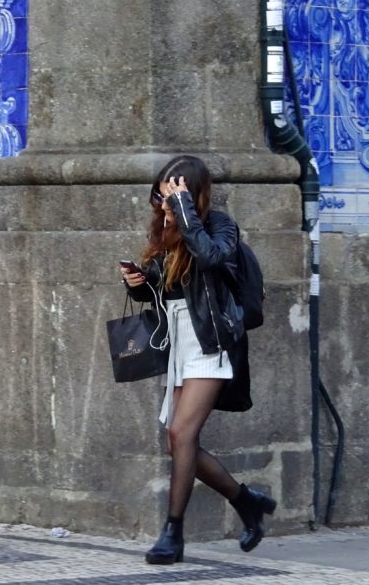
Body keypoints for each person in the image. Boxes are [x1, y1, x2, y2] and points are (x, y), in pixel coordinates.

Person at [119, 155, 276, 566]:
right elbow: (165, 293)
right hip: (179, 341)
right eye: (160, 195)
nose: (163, 204)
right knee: (177, 439)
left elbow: (209, 258)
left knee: (183, 434)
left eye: (172, 195)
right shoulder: (166, 229)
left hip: (211, 341)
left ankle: (173, 533)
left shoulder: (220, 225)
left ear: (193, 194)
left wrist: (184, 212)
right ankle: (247, 502)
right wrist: (139, 283)